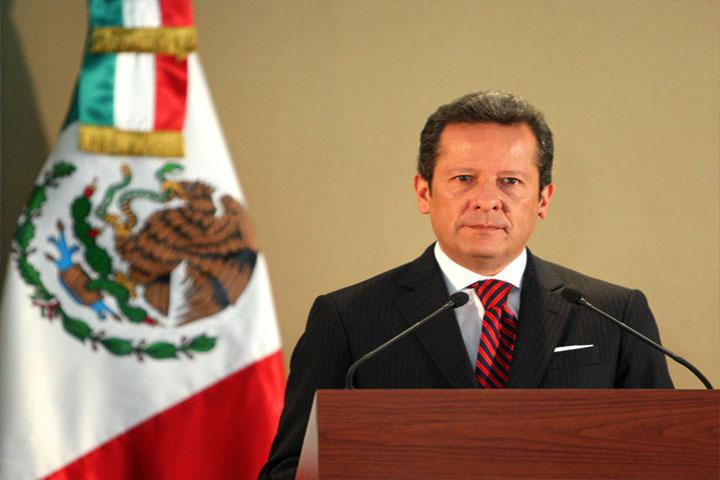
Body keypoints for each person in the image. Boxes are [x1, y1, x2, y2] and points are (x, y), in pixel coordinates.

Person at [258, 91, 673, 479]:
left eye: (510, 181)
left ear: (543, 199)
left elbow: (666, 458)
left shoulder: (614, 314)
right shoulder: (348, 318)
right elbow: (291, 468)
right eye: (463, 178)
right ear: (424, 192)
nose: (486, 200)